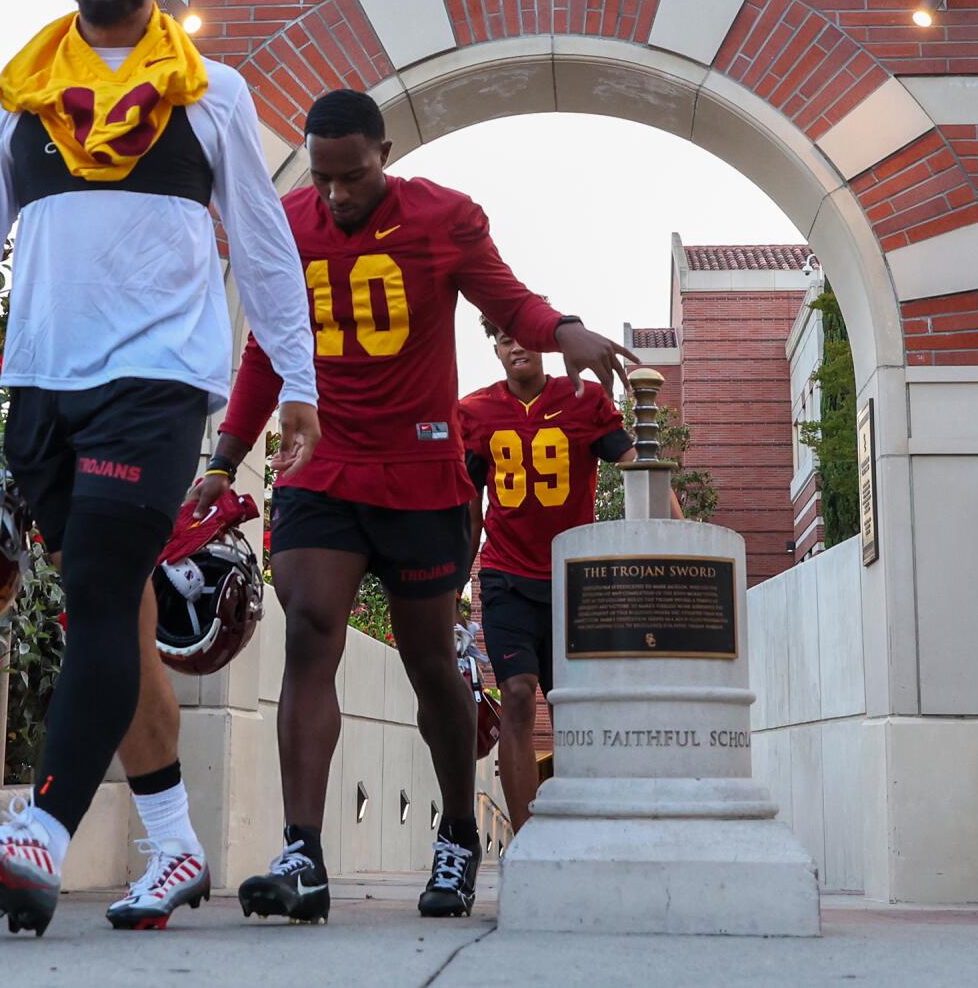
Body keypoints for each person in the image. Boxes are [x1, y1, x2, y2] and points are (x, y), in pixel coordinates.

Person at [0, 0, 321, 936]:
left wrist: (298, 379)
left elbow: (264, 245)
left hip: (159, 380)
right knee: (117, 621)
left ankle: (39, 834)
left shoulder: (212, 93)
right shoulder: (18, 92)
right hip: (42, 383)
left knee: (95, 590)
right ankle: (176, 845)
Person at [189, 88, 639, 923]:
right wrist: (223, 459)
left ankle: (460, 831)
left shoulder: (444, 218)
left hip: (424, 474)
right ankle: (302, 853)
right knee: (312, 627)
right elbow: (266, 351)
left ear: (385, 153)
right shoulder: (287, 222)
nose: (335, 194)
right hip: (322, 466)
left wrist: (565, 328)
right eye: (322, 177)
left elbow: (510, 302)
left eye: (351, 175)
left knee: (430, 659)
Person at [457, 320, 683, 827]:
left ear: (543, 343)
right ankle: (524, 840)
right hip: (506, 576)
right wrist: (452, 584)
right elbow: (468, 512)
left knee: (574, 711)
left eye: (523, 336)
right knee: (516, 694)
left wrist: (681, 533)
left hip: (574, 581)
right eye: (504, 338)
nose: (516, 345)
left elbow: (637, 462)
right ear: (495, 348)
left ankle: (579, 829)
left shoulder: (582, 400)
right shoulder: (474, 412)